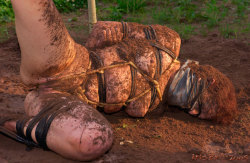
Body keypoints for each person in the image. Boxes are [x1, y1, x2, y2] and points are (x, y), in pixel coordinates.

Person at [0, 0, 237, 161]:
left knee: (95, 139)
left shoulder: (157, 106)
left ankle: (14, 125)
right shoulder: (167, 42)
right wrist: (138, 60)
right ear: (209, 81)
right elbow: (100, 32)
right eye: (200, 106)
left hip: (60, 102)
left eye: (196, 114)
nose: (192, 113)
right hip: (65, 61)